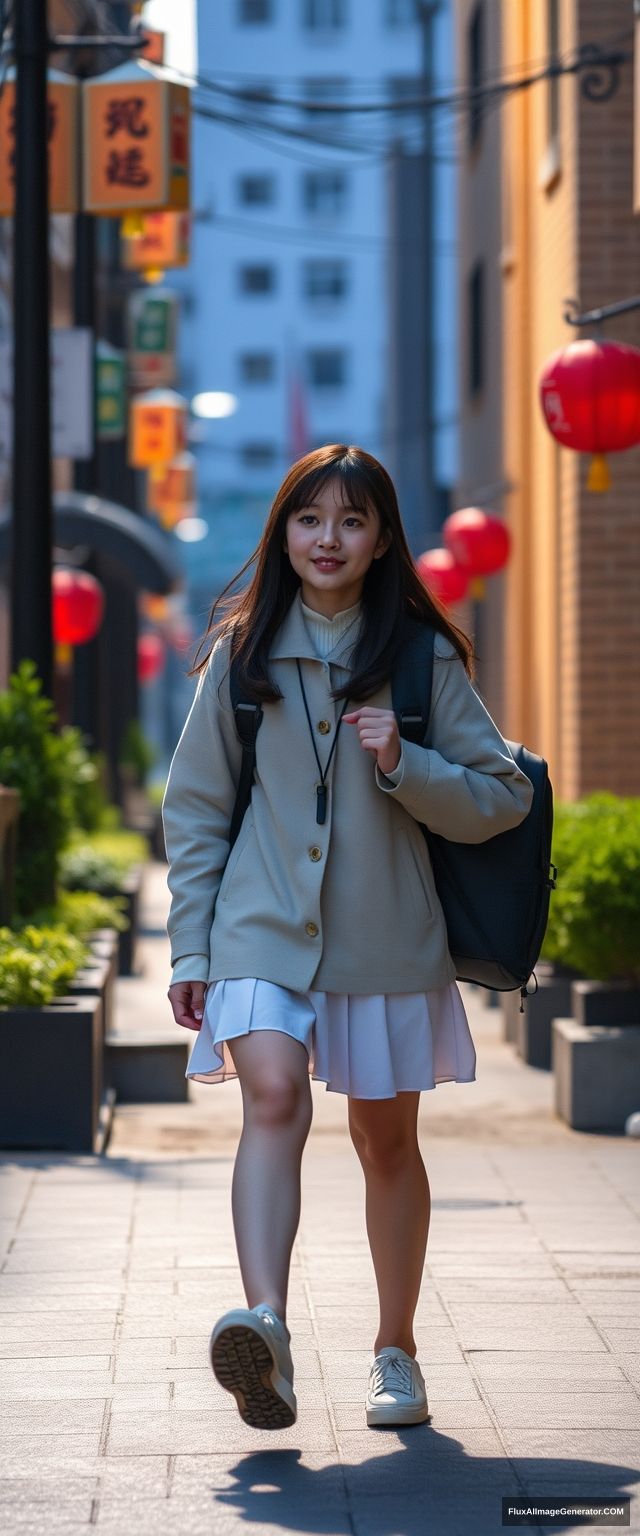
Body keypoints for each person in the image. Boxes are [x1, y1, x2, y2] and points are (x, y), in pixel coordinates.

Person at [162, 443, 534, 1433]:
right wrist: (192, 952)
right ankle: (268, 1328)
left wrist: (407, 764)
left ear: (379, 541)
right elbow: (196, 811)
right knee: (272, 1096)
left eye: (352, 521)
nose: (328, 538)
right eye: (309, 518)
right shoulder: (242, 650)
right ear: (283, 532)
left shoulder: (420, 654)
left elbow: (502, 797)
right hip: (259, 926)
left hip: (383, 934)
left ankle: (395, 1351)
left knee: (384, 1141)